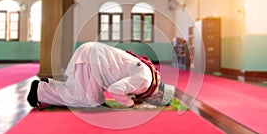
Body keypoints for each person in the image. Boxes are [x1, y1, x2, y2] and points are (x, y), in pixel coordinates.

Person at [27, 42, 175, 108]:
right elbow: (115, 90)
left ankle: (49, 84)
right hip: (92, 59)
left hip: (93, 57)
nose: (152, 102)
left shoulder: (148, 76)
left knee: (95, 99)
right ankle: (39, 90)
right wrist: (131, 104)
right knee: (84, 100)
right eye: (156, 101)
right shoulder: (144, 82)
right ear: (158, 93)